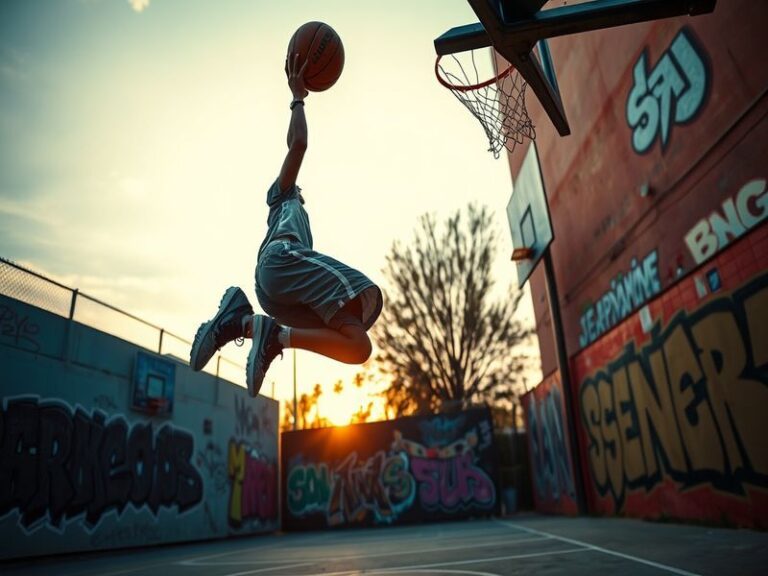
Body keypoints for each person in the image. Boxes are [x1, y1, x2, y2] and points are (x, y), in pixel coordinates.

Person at [189, 52, 383, 396]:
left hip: (277, 294)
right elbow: (299, 145)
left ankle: (243, 324)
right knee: (360, 287)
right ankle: (261, 331)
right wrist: (297, 98)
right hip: (281, 261)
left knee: (358, 347)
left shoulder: (298, 219)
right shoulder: (283, 195)